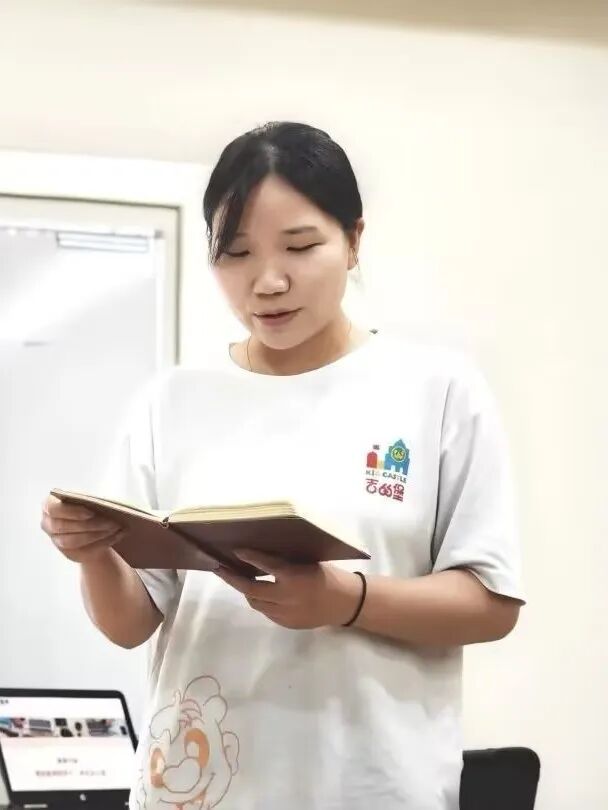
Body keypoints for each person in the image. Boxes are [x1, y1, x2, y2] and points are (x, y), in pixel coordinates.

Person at [41, 122, 524, 810]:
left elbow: (491, 604)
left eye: (300, 246)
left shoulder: (438, 390)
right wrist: (92, 553)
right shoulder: (170, 402)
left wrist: (347, 601)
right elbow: (130, 624)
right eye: (236, 253)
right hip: (195, 789)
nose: (266, 282)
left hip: (370, 789)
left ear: (354, 239)